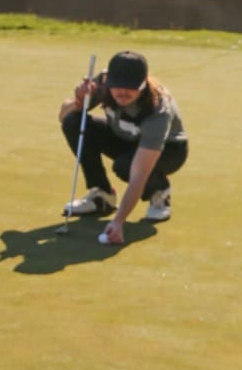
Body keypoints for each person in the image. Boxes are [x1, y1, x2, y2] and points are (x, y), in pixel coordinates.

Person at [59, 48, 188, 245]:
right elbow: (63, 116)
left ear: (143, 83)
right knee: (73, 122)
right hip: (125, 137)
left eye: (131, 86)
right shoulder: (103, 85)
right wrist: (79, 101)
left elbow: (138, 174)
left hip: (169, 151)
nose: (122, 91)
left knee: (125, 166)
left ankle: (159, 190)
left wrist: (118, 222)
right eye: (117, 85)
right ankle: (102, 196)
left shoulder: (158, 110)